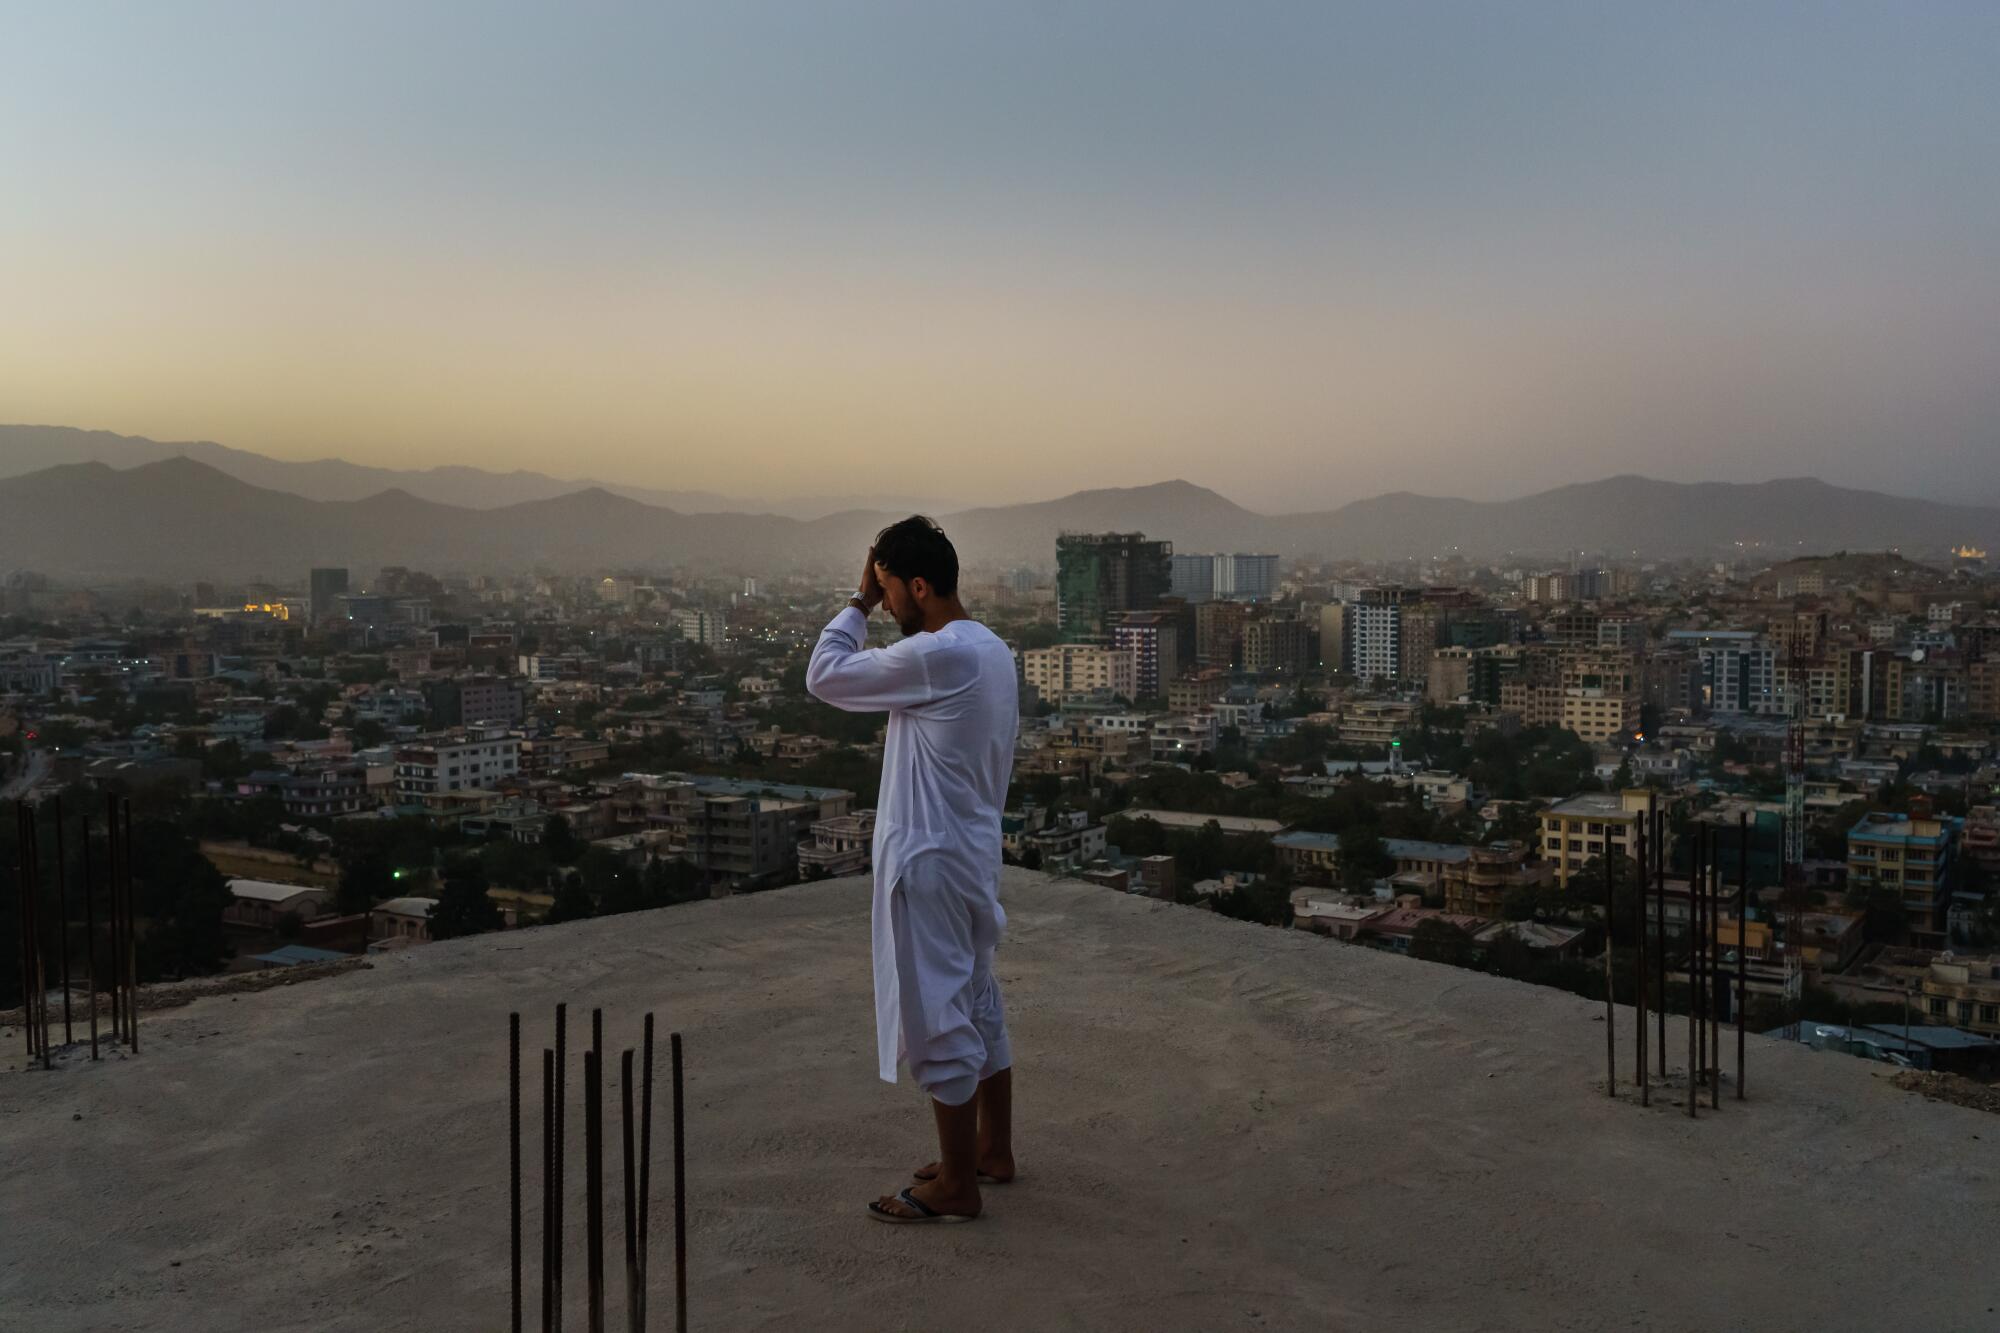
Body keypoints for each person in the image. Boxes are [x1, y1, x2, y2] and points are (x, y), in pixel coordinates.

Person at [806, 516, 1020, 1224]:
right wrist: (876, 592)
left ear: (918, 586)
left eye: (890, 585)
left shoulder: (937, 656)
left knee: (938, 1017)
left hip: (927, 862)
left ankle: (957, 1182)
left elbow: (825, 676)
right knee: (978, 999)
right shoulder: (990, 649)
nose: (885, 598)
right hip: (970, 853)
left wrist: (854, 603)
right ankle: (991, 1150)